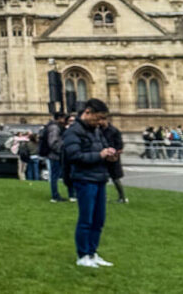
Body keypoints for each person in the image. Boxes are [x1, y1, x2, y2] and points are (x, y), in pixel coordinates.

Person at [64, 98, 117, 268]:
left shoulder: (96, 130)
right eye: (98, 118)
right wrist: (99, 155)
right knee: (86, 220)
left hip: (99, 177)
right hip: (84, 179)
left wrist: (109, 154)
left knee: (98, 220)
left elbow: (101, 147)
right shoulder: (74, 131)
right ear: (87, 112)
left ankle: (92, 253)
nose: (101, 122)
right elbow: (75, 156)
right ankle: (82, 255)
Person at [99, 117, 127, 203]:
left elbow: (119, 144)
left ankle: (122, 197)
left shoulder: (114, 130)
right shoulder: (98, 130)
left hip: (112, 157)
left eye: (101, 120)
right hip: (103, 156)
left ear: (106, 120)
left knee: (115, 178)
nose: (99, 121)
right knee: (102, 178)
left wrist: (114, 152)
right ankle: (103, 197)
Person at [41, 112, 68, 202]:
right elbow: (53, 142)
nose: (65, 120)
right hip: (55, 155)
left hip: (54, 154)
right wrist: (61, 150)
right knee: (54, 176)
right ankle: (55, 195)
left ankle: (55, 195)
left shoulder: (53, 127)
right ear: (59, 118)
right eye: (63, 118)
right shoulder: (54, 128)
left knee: (55, 175)